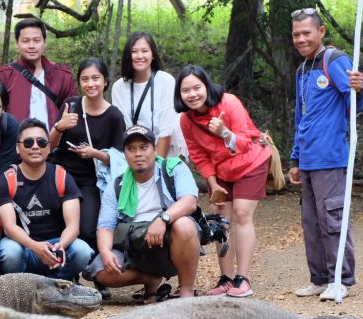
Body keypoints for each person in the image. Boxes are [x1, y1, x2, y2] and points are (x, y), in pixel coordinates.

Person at [289, 8, 363, 301]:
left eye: (306, 33)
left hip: (331, 158)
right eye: (296, 34)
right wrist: (295, 159)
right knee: (311, 222)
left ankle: (341, 278)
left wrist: (358, 90)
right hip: (308, 160)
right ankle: (320, 278)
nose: (301, 39)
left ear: (321, 32)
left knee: (333, 219)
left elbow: (353, 106)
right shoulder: (302, 70)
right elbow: (301, 117)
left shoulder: (334, 60)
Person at [176, 64, 271, 298]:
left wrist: (224, 132)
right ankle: (226, 278)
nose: (192, 94)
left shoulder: (229, 103)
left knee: (240, 214)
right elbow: (198, 155)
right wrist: (213, 184)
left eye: (197, 87)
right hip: (220, 172)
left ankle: (243, 278)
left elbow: (245, 142)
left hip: (250, 162)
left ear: (207, 86)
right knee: (222, 221)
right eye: (186, 90)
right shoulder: (186, 120)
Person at [84, 125, 200, 301]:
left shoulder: (173, 168)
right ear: (124, 154)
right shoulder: (117, 185)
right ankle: (150, 279)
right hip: (135, 245)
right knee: (101, 271)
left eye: (143, 147)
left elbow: (190, 201)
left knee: (184, 224)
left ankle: (186, 290)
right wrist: (106, 252)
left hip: (169, 240)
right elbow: (105, 226)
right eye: (131, 149)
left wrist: (163, 219)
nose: (138, 153)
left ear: (154, 149)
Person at [0, 118, 93, 281]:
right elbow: (9, 227)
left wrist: (61, 245)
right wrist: (35, 246)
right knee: (9, 253)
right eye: (28, 142)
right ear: (18, 148)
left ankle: (61, 283)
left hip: (56, 244)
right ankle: (21, 287)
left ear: (48, 147)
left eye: (41, 142)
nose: (35, 147)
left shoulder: (61, 176)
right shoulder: (6, 181)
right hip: (23, 245)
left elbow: (73, 225)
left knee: (82, 251)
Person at [48, 57, 126, 254]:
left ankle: (93, 271)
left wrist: (95, 154)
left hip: (90, 179)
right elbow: (47, 146)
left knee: (88, 229)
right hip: (60, 174)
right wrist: (60, 126)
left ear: (105, 81)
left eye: (95, 78)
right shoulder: (71, 105)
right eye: (84, 79)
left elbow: (120, 159)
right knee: (53, 221)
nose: (90, 84)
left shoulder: (114, 115)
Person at [111, 31, 186, 159]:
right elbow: (125, 128)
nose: (139, 56)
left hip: (166, 156)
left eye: (145, 51)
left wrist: (156, 165)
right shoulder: (119, 87)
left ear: (153, 55)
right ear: (128, 56)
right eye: (134, 51)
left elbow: (166, 130)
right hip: (135, 156)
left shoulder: (166, 81)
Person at [0, 18, 78, 131]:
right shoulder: (4, 76)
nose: (31, 46)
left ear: (44, 43)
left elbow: (74, 113)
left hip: (54, 145)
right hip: (16, 145)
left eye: (37, 40)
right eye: (26, 41)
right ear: (17, 44)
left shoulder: (62, 76)